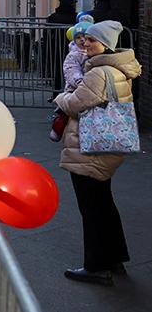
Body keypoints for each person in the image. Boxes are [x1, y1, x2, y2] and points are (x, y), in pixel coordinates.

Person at [54, 20, 141, 286]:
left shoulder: (98, 72)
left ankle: (96, 267)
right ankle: (114, 259)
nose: (85, 43)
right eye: (85, 39)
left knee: (91, 208)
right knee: (104, 205)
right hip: (106, 146)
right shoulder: (118, 69)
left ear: (107, 44)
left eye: (92, 40)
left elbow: (76, 103)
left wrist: (60, 98)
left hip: (90, 148)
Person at [50, 23, 89, 142]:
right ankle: (58, 128)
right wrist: (80, 81)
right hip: (75, 88)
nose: (82, 40)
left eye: (85, 37)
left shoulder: (93, 52)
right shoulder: (73, 55)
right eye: (78, 37)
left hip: (90, 88)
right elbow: (71, 70)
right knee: (67, 113)